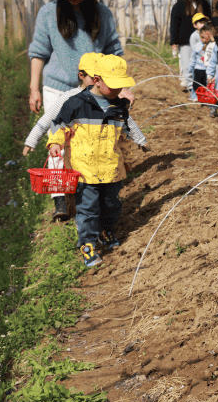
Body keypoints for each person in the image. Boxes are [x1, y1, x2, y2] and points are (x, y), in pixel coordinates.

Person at [28, 0, 123, 221]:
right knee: (58, 140)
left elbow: (114, 52)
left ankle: (89, 192)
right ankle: (60, 198)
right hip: (57, 89)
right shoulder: (48, 14)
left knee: (89, 141)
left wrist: (122, 88)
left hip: (93, 91)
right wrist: (34, 88)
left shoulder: (102, 14)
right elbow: (38, 53)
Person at [47, 55, 147, 268]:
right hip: (85, 169)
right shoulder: (76, 104)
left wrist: (132, 150)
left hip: (111, 168)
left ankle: (106, 231)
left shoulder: (119, 106)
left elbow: (123, 135)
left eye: (120, 85)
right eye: (113, 85)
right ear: (98, 80)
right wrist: (55, 143)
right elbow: (58, 126)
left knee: (112, 205)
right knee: (88, 209)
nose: (117, 90)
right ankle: (87, 244)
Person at [23, 52, 102, 157]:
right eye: (93, 78)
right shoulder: (69, 97)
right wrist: (32, 140)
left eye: (101, 78)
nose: (97, 82)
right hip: (75, 156)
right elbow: (48, 118)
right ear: (81, 75)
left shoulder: (106, 98)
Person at [170, 0, 211, 91]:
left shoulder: (205, 4)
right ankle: (191, 88)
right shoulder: (179, 5)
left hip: (202, 39)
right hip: (184, 40)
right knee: (187, 64)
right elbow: (174, 24)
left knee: (202, 63)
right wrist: (173, 41)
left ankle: (202, 87)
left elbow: (210, 21)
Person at [187, 12, 210, 102]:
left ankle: (204, 96)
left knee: (205, 82)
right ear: (195, 25)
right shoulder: (194, 36)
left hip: (206, 64)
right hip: (198, 64)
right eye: (200, 23)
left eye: (204, 22)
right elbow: (194, 51)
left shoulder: (208, 33)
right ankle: (194, 95)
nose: (203, 24)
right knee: (196, 82)